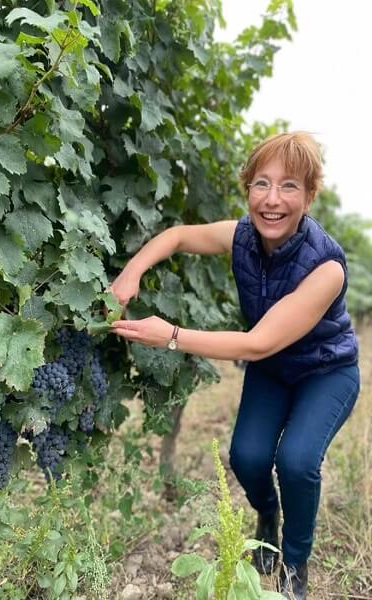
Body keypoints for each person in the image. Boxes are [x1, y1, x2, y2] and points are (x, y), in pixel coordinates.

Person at [109, 131, 360, 599]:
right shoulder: (242, 235)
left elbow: (258, 343)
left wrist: (173, 337)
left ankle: (294, 565)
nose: (272, 199)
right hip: (274, 371)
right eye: (261, 183)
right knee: (247, 459)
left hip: (326, 371)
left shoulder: (325, 267)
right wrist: (133, 269)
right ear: (247, 189)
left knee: (297, 461)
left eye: (289, 187)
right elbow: (181, 236)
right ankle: (268, 515)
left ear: (309, 195)